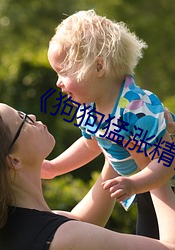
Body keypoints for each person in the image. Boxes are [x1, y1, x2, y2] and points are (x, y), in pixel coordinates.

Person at [0, 98, 175, 250]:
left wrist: (114, 147)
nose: (31, 116)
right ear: (13, 160)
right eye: (22, 120)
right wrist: (156, 158)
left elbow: (81, 221)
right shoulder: (63, 238)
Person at [43, 9, 175, 239]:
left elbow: (166, 160)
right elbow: (91, 145)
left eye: (63, 72)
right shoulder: (88, 109)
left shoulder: (137, 107)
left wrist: (134, 183)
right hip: (144, 188)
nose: (58, 83)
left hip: (163, 185)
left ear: (98, 67)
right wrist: (55, 167)